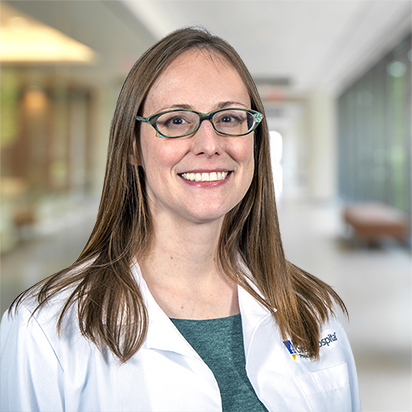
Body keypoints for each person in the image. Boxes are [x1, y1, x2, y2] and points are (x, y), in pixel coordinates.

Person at [0, 27, 361, 412]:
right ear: (132, 148)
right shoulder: (44, 331)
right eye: (175, 121)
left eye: (229, 117)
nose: (209, 144)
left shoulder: (311, 311)